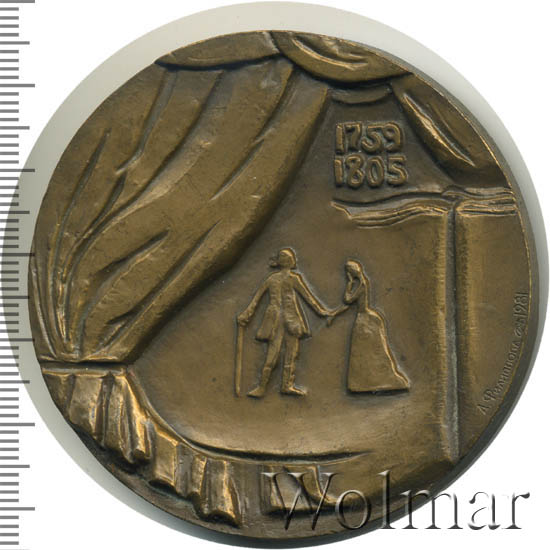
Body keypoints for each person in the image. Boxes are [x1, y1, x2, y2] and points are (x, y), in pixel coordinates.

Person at [237, 248, 332, 397]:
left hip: (289, 321)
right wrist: (246, 315)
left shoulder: (287, 279)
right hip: (278, 322)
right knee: (279, 355)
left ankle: (284, 386)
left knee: (287, 355)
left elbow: (307, 297)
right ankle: (264, 387)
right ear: (289, 262)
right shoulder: (277, 279)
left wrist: (322, 312)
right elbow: (308, 298)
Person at [337, 259, 409, 393]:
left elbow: (347, 300)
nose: (348, 274)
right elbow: (349, 304)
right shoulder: (363, 282)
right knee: (369, 350)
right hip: (366, 317)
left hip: (364, 319)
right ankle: (365, 383)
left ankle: (367, 383)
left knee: (365, 351)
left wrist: (349, 283)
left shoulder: (361, 284)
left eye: (348, 272)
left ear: (351, 272)